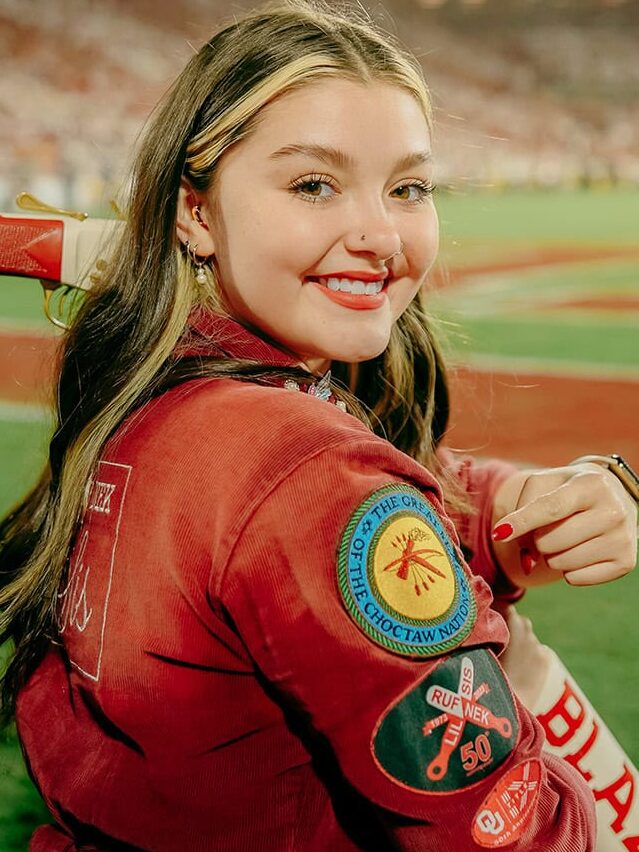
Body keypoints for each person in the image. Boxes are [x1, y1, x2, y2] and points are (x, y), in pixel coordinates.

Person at [0, 1, 636, 849]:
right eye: (313, 184)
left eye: (408, 188)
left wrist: (513, 504)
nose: (379, 233)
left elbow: (314, 517)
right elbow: (506, 832)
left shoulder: (153, 386)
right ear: (195, 213)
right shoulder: (306, 472)